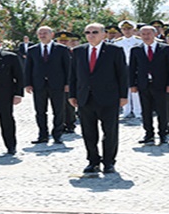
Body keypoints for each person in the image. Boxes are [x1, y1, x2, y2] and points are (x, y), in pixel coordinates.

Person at [68, 23, 128, 174]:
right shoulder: (78, 51)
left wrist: (123, 96)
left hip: (109, 98)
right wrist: (72, 95)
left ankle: (109, 162)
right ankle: (93, 161)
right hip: (85, 98)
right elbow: (73, 75)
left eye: (95, 32)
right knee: (88, 132)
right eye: (87, 32)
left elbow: (122, 74)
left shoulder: (115, 50)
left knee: (110, 132)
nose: (91, 35)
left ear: (104, 34)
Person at [129, 25, 169, 145]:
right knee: (146, 110)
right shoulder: (136, 50)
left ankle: (163, 134)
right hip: (143, 84)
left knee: (162, 110)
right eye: (143, 34)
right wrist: (132, 84)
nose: (146, 36)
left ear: (155, 34)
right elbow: (132, 69)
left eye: (148, 33)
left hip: (161, 84)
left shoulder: (166, 49)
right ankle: (149, 134)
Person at [24, 26, 70, 144]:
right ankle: (42, 135)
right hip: (38, 85)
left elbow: (68, 68)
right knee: (40, 111)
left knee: (58, 111)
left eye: (45, 33)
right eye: (40, 33)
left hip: (57, 85)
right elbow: (28, 68)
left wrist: (67, 83)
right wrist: (27, 84)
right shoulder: (32, 50)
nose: (42, 35)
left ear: (52, 34)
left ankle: (57, 135)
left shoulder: (62, 49)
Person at [0, 35, 23, 155]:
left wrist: (18, 94)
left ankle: (11, 146)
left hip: (5, 95)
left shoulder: (10, 57)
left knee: (6, 121)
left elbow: (20, 76)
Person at [111, 20, 143, 119]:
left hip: (136, 67)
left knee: (135, 90)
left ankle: (138, 111)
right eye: (124, 29)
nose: (127, 31)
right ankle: (126, 110)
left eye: (129, 29)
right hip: (122, 67)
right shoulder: (117, 42)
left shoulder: (139, 41)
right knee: (124, 89)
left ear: (133, 29)